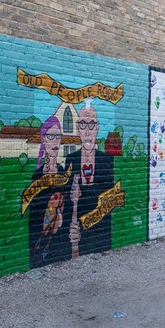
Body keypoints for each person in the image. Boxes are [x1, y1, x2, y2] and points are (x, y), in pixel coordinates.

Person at [64, 102, 114, 257]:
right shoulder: (71, 160)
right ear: (78, 128)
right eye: (83, 125)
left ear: (97, 128)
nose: (87, 132)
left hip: (100, 227)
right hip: (78, 227)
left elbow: (109, 195)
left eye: (91, 125)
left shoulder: (106, 160)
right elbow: (67, 199)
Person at [27, 116, 70, 267]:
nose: (55, 141)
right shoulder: (37, 176)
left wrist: (60, 218)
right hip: (40, 237)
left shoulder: (63, 172)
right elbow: (33, 214)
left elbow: (67, 204)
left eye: (58, 136)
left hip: (60, 237)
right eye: (51, 136)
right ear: (44, 140)